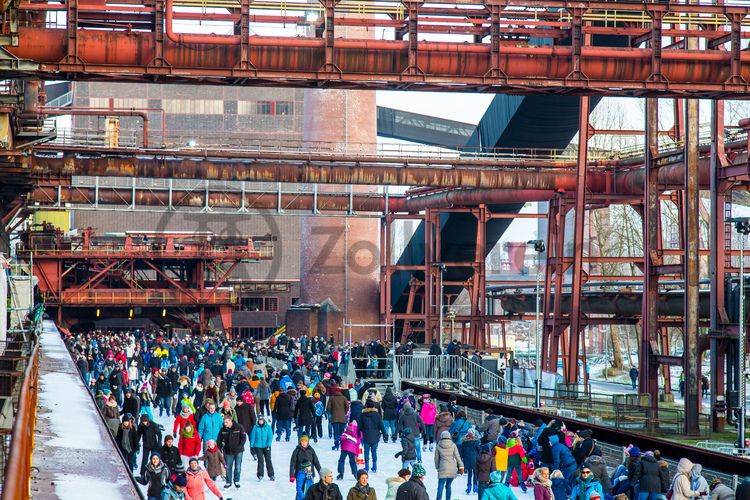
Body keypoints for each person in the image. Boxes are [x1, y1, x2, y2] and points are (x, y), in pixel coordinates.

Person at [216, 416, 246, 488]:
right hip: (228, 451)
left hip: (238, 451)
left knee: (238, 466)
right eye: (224, 422)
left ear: (230, 421)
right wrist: (220, 449)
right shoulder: (223, 429)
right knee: (228, 467)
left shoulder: (239, 427)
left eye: (227, 422)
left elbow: (243, 437)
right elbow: (219, 440)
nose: (225, 424)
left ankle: (236, 480)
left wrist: (240, 446)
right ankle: (228, 482)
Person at [435, 430, 464, 500]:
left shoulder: (438, 445)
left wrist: (437, 467)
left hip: (443, 468)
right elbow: (458, 457)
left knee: (440, 486)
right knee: (448, 486)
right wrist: (461, 467)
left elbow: (436, 459)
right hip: (452, 469)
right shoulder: (453, 445)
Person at [291, 435, 323, 500]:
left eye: (305, 441)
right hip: (300, 473)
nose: (304, 443)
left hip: (310, 473)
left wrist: (321, 472)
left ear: (308, 442)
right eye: (302, 441)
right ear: (300, 442)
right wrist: (292, 475)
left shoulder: (311, 450)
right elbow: (293, 463)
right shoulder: (297, 450)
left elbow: (316, 462)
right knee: (300, 490)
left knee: (310, 489)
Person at [360, 399, 387, 473]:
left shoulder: (362, 415)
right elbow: (381, 425)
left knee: (366, 451)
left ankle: (367, 466)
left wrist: (358, 433)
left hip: (366, 435)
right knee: (374, 451)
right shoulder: (377, 414)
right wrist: (385, 434)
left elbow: (359, 426)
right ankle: (374, 466)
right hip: (375, 436)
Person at [250, 414, 275, 481]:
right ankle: (260, 474)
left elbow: (270, 436)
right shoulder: (255, 427)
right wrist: (251, 446)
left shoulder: (268, 427)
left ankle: (271, 475)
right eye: (259, 420)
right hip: (258, 446)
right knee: (260, 461)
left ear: (263, 420)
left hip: (266, 446)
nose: (261, 421)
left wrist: (268, 445)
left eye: (262, 420)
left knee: (268, 460)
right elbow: (253, 437)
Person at [461, 429, 481, 495]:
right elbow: (479, 450)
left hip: (467, 460)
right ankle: (475, 487)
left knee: (469, 474)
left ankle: (469, 487)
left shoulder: (464, 442)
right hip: (475, 460)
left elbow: (462, 453)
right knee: (475, 473)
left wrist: (462, 459)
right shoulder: (476, 442)